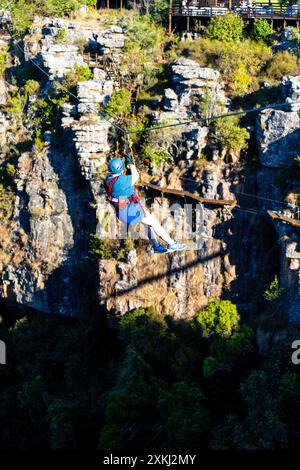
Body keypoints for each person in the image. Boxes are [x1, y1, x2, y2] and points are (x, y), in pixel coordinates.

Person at [105, 157, 187, 254]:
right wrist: (131, 164)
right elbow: (135, 176)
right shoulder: (122, 180)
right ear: (121, 168)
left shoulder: (108, 180)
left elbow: (121, 187)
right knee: (154, 223)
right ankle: (171, 243)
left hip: (122, 212)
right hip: (130, 211)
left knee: (147, 224)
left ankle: (156, 246)